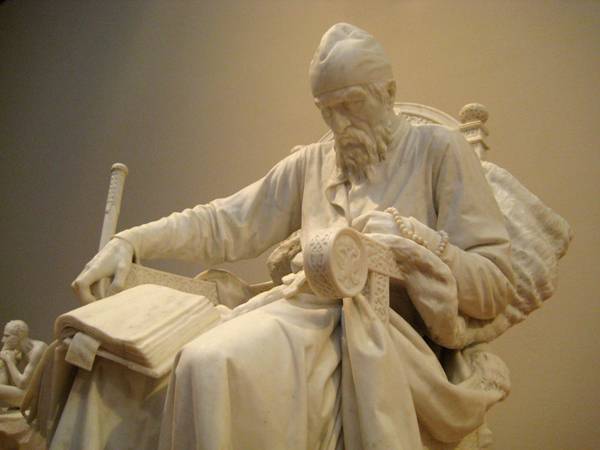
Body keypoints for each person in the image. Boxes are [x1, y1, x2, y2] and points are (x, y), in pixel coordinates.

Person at [71, 23, 515, 449]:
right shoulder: (313, 163)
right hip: (299, 316)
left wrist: (417, 242)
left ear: (389, 93)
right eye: (327, 110)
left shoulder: (440, 151)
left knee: (208, 363)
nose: (340, 124)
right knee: (134, 370)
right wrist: (131, 242)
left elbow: (494, 287)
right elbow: (223, 222)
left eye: (351, 104)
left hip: (385, 341)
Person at [0, 320, 47, 409]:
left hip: (35, 398)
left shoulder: (37, 349)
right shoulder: (18, 351)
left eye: (7, 336)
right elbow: (4, 381)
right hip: (25, 394)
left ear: (20, 335)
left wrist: (9, 361)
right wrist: (4, 359)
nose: (3, 340)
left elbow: (22, 384)